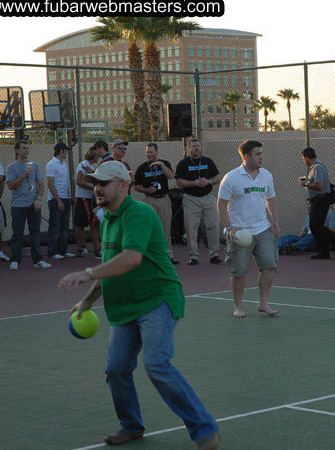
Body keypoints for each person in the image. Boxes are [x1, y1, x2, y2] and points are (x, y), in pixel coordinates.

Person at [58, 161, 220, 450]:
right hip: (125, 307)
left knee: (157, 363)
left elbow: (131, 258)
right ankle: (131, 426)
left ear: (123, 185)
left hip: (157, 298)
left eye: (104, 182)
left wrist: (87, 274)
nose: (97, 187)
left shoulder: (139, 214)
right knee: (116, 369)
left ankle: (205, 429)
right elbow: (111, 265)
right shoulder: (108, 218)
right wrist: (88, 299)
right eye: (95, 182)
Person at [217, 140, 280, 318]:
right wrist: (230, 227)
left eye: (262, 153)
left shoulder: (266, 175)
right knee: (238, 272)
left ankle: (263, 304)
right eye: (257, 154)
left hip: (262, 229)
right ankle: (238, 307)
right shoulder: (231, 178)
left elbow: (271, 199)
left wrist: (274, 220)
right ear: (246, 157)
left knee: (269, 266)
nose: (261, 157)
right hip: (240, 233)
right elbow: (221, 205)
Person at [175, 139, 222, 266]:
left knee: (213, 225)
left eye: (198, 146)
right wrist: (194, 183)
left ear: (200, 148)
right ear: (188, 148)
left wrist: (208, 182)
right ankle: (193, 256)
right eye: (193, 146)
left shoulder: (208, 161)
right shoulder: (183, 163)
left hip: (208, 197)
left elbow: (217, 178)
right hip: (191, 199)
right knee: (191, 228)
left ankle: (214, 254)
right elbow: (179, 181)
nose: (196, 148)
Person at [6, 141, 51, 270]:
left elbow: (41, 184)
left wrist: (38, 198)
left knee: (35, 233)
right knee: (18, 233)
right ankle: (15, 260)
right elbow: (10, 186)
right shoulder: (12, 167)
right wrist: (24, 175)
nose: (26, 150)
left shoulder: (35, 165)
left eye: (27, 148)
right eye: (24, 148)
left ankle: (38, 260)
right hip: (18, 205)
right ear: (17, 151)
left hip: (33, 205)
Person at [134, 142, 179, 264]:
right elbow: (136, 186)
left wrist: (161, 165)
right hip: (149, 200)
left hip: (164, 199)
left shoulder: (164, 164)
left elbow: (171, 176)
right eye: (147, 152)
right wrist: (147, 190)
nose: (149, 154)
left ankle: (168, 255)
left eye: (151, 152)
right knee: (150, 228)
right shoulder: (142, 168)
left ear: (157, 152)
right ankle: (151, 255)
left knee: (165, 228)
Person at [298, 147, 335, 259]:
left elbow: (319, 185)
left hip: (321, 200)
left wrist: (306, 184)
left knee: (316, 225)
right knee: (315, 225)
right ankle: (324, 251)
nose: (303, 161)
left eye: (303, 159)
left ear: (306, 157)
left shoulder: (318, 167)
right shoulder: (314, 168)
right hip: (317, 200)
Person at [46, 142, 75, 260]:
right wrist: (58, 200)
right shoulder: (52, 164)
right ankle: (52, 252)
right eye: (65, 150)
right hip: (55, 200)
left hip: (65, 198)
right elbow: (50, 183)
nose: (67, 153)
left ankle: (63, 251)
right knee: (55, 226)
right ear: (61, 151)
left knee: (64, 226)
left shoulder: (63, 164)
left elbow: (64, 183)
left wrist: (66, 198)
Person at [74, 146, 101, 259]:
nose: (98, 156)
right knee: (81, 225)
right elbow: (78, 181)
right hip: (82, 198)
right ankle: (79, 248)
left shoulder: (90, 167)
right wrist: (92, 189)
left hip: (91, 199)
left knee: (94, 224)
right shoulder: (83, 165)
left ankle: (97, 249)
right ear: (92, 155)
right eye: (96, 154)